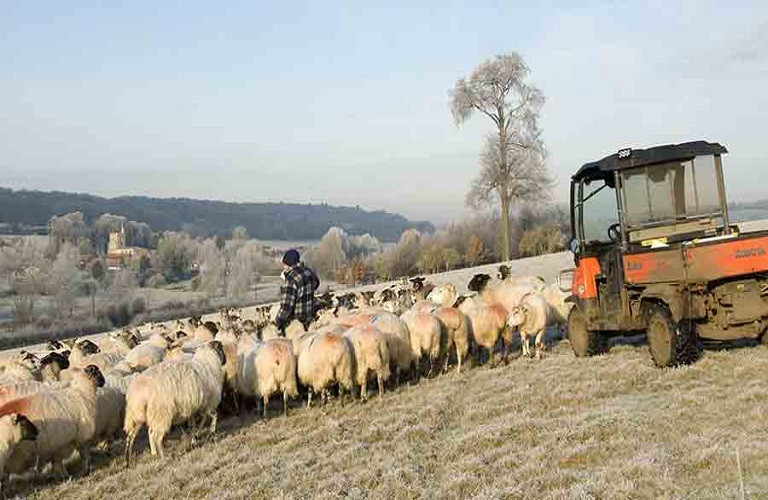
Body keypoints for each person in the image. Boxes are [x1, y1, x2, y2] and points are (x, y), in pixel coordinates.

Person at [274, 249, 320, 333]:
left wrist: (277, 323)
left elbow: (286, 308)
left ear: (285, 263)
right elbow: (316, 283)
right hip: (310, 320)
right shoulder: (308, 272)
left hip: (296, 325)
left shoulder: (290, 280)